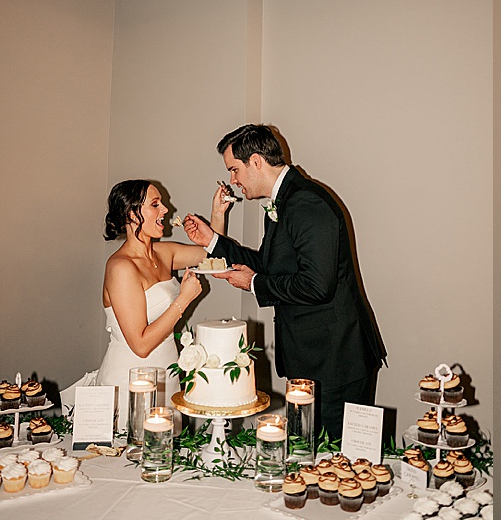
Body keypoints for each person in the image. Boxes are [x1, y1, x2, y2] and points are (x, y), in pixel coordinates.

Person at [183, 124, 385, 440]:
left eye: (234, 170)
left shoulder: (306, 203)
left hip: (335, 360)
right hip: (312, 357)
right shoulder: (281, 204)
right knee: (306, 456)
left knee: (337, 464)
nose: (233, 181)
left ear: (256, 162)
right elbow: (269, 265)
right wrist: (214, 241)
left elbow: (317, 285)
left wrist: (254, 284)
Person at [100, 179, 231, 428]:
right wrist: (183, 299)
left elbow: (215, 254)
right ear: (132, 214)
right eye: (155, 204)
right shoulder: (120, 267)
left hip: (167, 374)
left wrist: (217, 213)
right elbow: (140, 344)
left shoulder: (163, 253)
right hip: (130, 378)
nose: (165, 210)